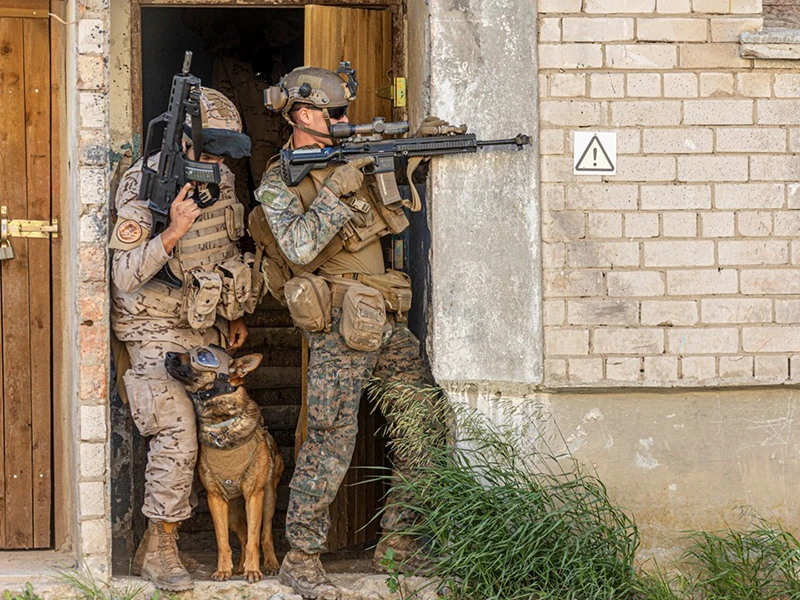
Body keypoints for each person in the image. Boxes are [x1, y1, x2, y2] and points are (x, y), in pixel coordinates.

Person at [253, 65, 449, 600]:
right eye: (330, 113)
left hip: (381, 317)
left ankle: (401, 540)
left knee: (425, 422)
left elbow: (395, 194)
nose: (343, 120)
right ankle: (302, 556)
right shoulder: (280, 180)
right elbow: (296, 248)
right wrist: (336, 190)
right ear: (298, 114)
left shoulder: (353, 157)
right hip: (338, 323)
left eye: (344, 112)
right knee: (329, 438)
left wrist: (422, 143)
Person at [110, 88, 254, 592]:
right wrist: (171, 231)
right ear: (186, 140)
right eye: (209, 149)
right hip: (152, 329)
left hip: (204, 325)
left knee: (232, 416)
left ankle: (199, 542)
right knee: (177, 429)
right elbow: (124, 275)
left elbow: (227, 246)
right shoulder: (145, 181)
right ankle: (163, 549)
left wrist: (234, 313)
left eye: (225, 151)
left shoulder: (224, 180)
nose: (217, 160)